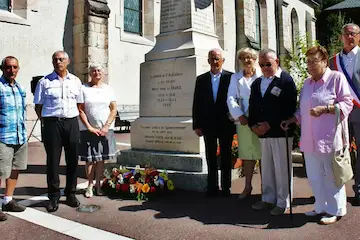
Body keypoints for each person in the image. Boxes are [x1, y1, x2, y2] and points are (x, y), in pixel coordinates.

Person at [282, 46, 353, 224]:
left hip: (329, 138)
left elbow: (347, 103)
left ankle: (335, 209)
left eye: (314, 61)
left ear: (324, 61)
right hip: (309, 139)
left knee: (331, 176)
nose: (310, 66)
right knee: (314, 176)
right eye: (308, 62)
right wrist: (293, 119)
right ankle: (320, 206)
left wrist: (327, 109)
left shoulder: (337, 78)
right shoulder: (307, 83)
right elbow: (303, 110)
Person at [248, 49, 297, 215]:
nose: (264, 67)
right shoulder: (256, 83)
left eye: (268, 64)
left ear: (277, 61)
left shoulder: (285, 80)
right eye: (261, 65)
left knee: (282, 168)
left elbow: (289, 107)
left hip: (280, 131)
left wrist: (270, 124)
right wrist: (254, 126)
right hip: (263, 133)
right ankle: (268, 199)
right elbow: (252, 107)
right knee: (267, 167)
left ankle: (284, 202)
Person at [34, 51, 83, 212]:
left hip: (71, 123)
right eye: (55, 59)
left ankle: (70, 194)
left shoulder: (76, 81)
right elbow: (38, 106)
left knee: (72, 160)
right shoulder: (44, 82)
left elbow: (79, 105)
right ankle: (53, 196)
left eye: (61, 59)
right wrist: (46, 122)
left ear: (68, 61)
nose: (58, 61)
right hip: (52, 124)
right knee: (53, 161)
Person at [192, 48, 235, 197]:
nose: (215, 62)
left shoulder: (231, 78)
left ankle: (226, 187)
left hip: (225, 123)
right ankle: (212, 186)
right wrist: (196, 124)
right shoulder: (201, 79)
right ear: (208, 60)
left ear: (222, 60)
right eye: (212, 58)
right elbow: (196, 102)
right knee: (210, 156)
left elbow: (236, 99)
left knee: (226, 156)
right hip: (208, 124)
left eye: (218, 59)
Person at [329, 23, 360, 206]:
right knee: (337, 150)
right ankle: (334, 189)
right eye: (347, 34)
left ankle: (359, 189)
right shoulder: (334, 61)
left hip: (359, 110)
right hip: (339, 113)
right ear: (341, 36)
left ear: (358, 37)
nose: (350, 37)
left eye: (353, 34)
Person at [78, 64, 118, 198]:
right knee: (90, 160)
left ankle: (98, 186)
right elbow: (80, 109)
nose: (96, 73)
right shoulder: (83, 88)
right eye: (93, 71)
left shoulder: (108, 89)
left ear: (103, 73)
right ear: (90, 73)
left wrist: (106, 126)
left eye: (99, 70)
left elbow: (113, 109)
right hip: (88, 129)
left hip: (105, 130)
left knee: (101, 160)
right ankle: (89, 185)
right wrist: (89, 127)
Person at [227, 48, 262, 200]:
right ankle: (247, 186)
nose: (247, 60)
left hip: (261, 120)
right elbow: (231, 98)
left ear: (255, 59)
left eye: (250, 57)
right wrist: (239, 115)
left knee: (264, 155)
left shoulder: (262, 76)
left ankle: (266, 188)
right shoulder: (236, 78)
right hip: (244, 121)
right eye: (243, 58)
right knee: (248, 155)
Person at [0, 56, 27, 221]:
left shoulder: (20, 88)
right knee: (0, 172)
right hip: (3, 137)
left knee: (15, 169)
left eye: (15, 67)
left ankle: (8, 200)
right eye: (8, 67)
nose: (12, 70)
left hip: (20, 136)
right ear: (2, 68)